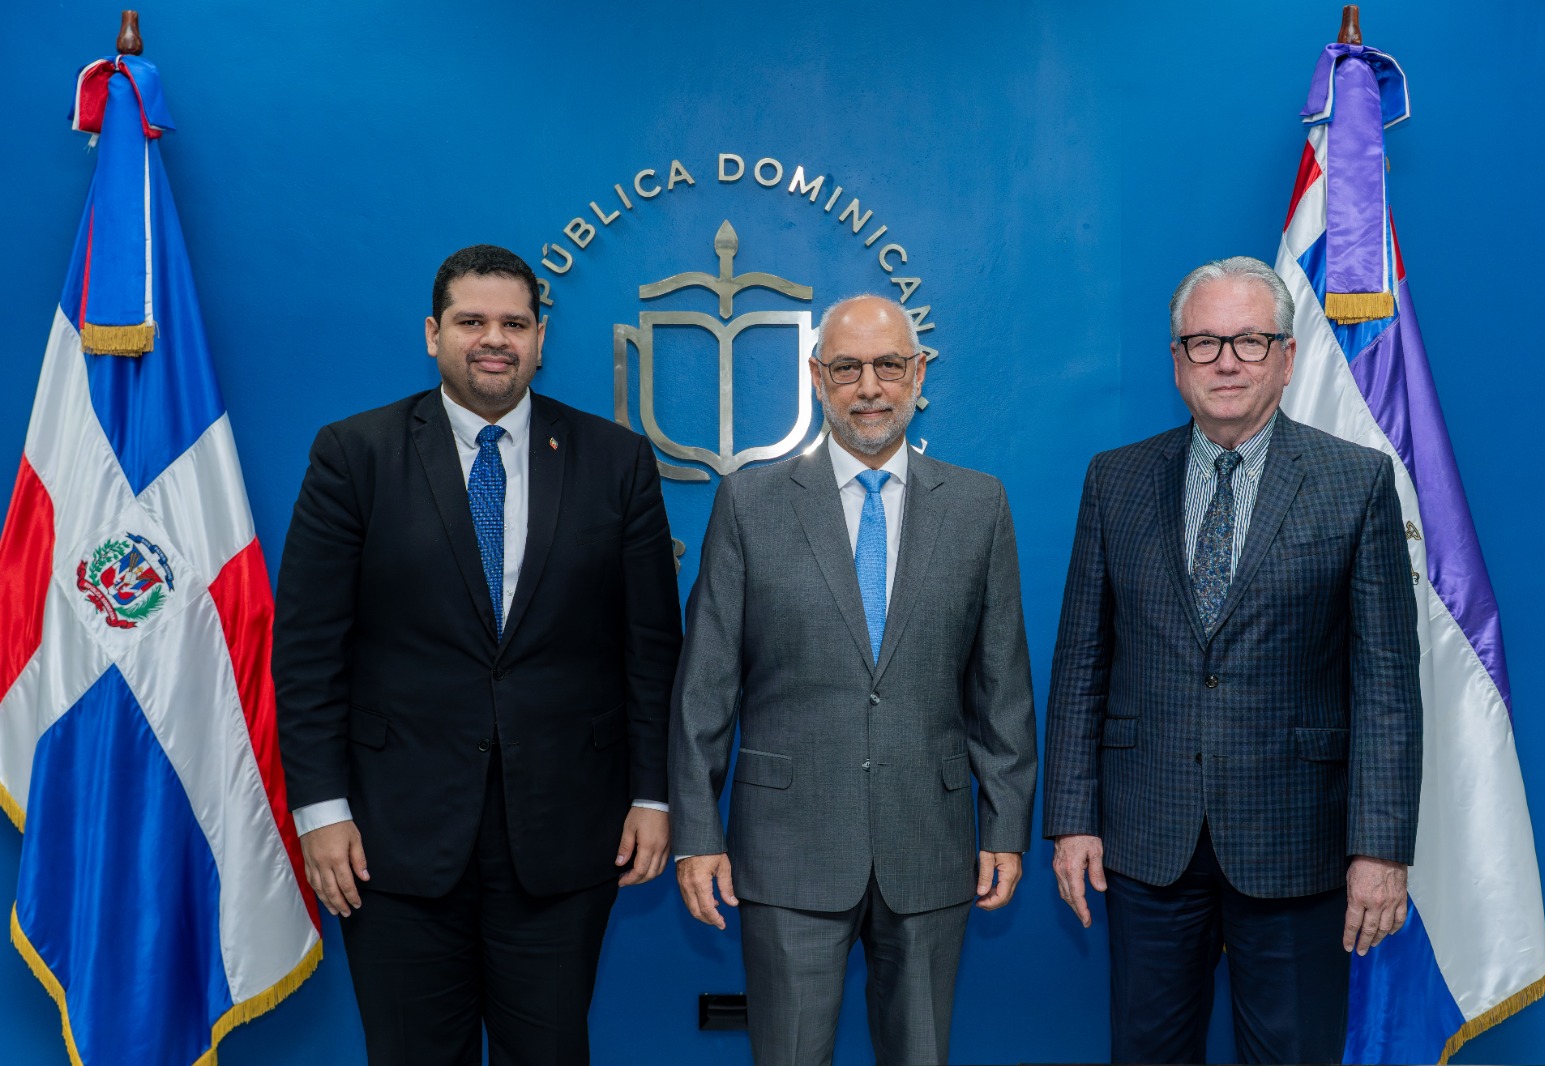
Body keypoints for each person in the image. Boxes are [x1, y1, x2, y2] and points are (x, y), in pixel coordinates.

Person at [273, 244, 682, 1065]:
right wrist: (321, 813)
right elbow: (309, 651)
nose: (494, 339)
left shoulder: (616, 460)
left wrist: (652, 795)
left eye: (514, 323)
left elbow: (650, 651)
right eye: (472, 321)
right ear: (433, 334)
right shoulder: (354, 455)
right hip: (391, 841)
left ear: (538, 339)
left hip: (568, 836)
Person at [1043, 255, 1423, 1065]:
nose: (1225, 360)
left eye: (1249, 341)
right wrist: (1072, 816)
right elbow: (1082, 662)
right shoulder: (1115, 481)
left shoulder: (1355, 483)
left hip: (1298, 846)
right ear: (1176, 363)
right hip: (1146, 843)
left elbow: (1387, 686)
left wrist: (1382, 849)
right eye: (1204, 342)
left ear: (1287, 359)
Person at [670, 293, 1037, 1066]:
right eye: (847, 368)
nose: (869, 386)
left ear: (918, 372)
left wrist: (1005, 825)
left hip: (930, 847)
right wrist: (695, 836)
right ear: (816, 377)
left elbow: (999, 687)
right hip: (787, 848)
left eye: (889, 366)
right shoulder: (749, 502)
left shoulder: (978, 504)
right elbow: (705, 688)